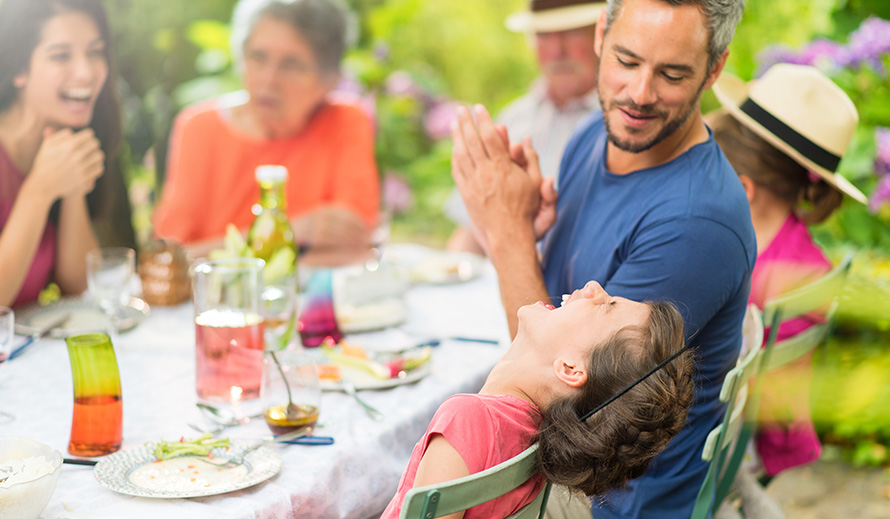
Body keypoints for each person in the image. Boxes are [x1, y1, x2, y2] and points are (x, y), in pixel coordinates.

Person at [450, 0, 755, 517]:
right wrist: (531, 228)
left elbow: (553, 392)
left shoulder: (694, 224)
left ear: (715, 68)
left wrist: (506, 233)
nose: (638, 95)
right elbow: (559, 312)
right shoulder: (595, 135)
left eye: (673, 74)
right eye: (627, 61)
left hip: (609, 500)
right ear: (600, 35)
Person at [381, 281, 694, 519]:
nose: (594, 287)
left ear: (570, 367)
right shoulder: (538, 432)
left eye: (606, 306)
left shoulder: (469, 419)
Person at [710, 63, 867, 478]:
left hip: (738, 444)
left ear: (743, 188)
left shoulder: (763, 277)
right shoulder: (803, 260)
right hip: (751, 434)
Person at [152, 0, 379, 259]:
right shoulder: (200, 128)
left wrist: (233, 249)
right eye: (258, 57)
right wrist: (293, 231)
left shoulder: (345, 121)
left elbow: (354, 245)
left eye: (291, 65)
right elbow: (169, 259)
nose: (268, 79)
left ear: (330, 80)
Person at [0, 0, 132, 308]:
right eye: (61, 56)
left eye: (95, 52)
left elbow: (76, 284)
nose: (86, 72)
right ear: (19, 69)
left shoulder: (62, 144)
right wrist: (39, 191)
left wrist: (70, 185)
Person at [446, 0, 603, 254]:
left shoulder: (622, 125)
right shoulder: (514, 118)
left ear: (602, 34)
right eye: (544, 35)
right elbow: (469, 231)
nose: (556, 50)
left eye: (571, 32)